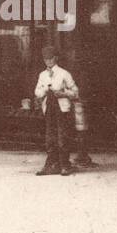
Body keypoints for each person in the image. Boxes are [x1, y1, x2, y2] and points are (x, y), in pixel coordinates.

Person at [33, 46, 79, 176]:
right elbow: (37, 91)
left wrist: (63, 93)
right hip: (49, 107)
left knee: (62, 136)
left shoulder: (64, 73)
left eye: (51, 58)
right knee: (50, 136)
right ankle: (50, 165)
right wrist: (44, 91)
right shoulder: (42, 75)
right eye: (46, 59)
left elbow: (75, 92)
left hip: (62, 109)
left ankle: (64, 165)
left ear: (56, 58)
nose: (48, 61)